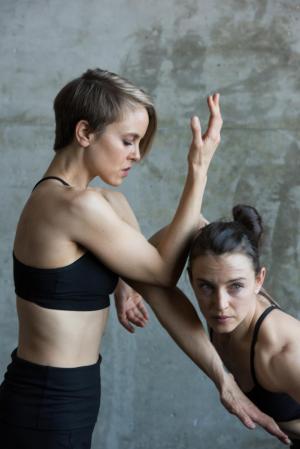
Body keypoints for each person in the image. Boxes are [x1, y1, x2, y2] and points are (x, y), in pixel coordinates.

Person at [0, 68, 288, 449]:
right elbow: (165, 272)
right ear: (85, 133)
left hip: (77, 396)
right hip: (42, 399)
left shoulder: (106, 205)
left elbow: (159, 291)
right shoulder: (63, 205)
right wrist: (197, 171)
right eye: (128, 141)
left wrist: (224, 382)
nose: (136, 155)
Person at [185, 204, 300, 448]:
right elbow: (185, 226)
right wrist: (126, 285)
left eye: (235, 286)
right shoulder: (226, 308)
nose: (220, 305)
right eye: (205, 286)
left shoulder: (284, 352)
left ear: (259, 280)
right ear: (190, 278)